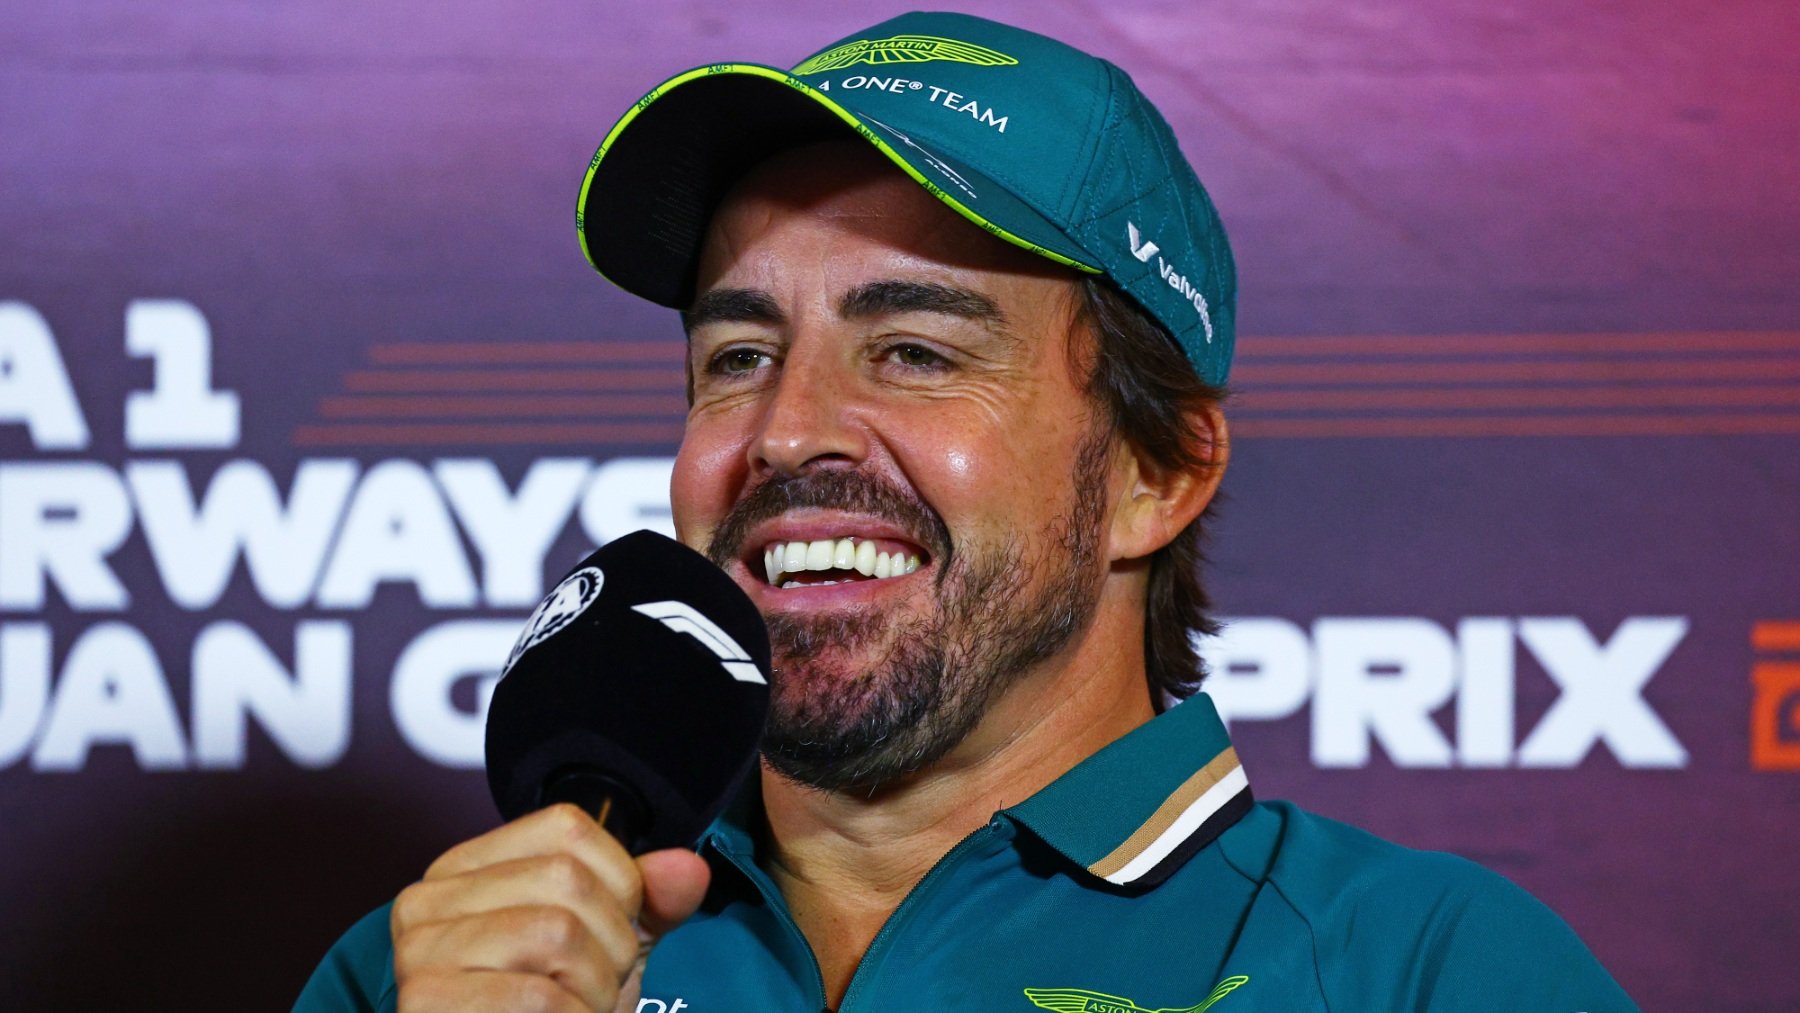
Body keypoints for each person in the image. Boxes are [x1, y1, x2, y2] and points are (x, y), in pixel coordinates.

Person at [297, 12, 1637, 1012]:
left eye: (916, 350)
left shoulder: (1426, 968)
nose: (787, 430)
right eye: (738, 356)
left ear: (1155, 472)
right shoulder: (443, 966)